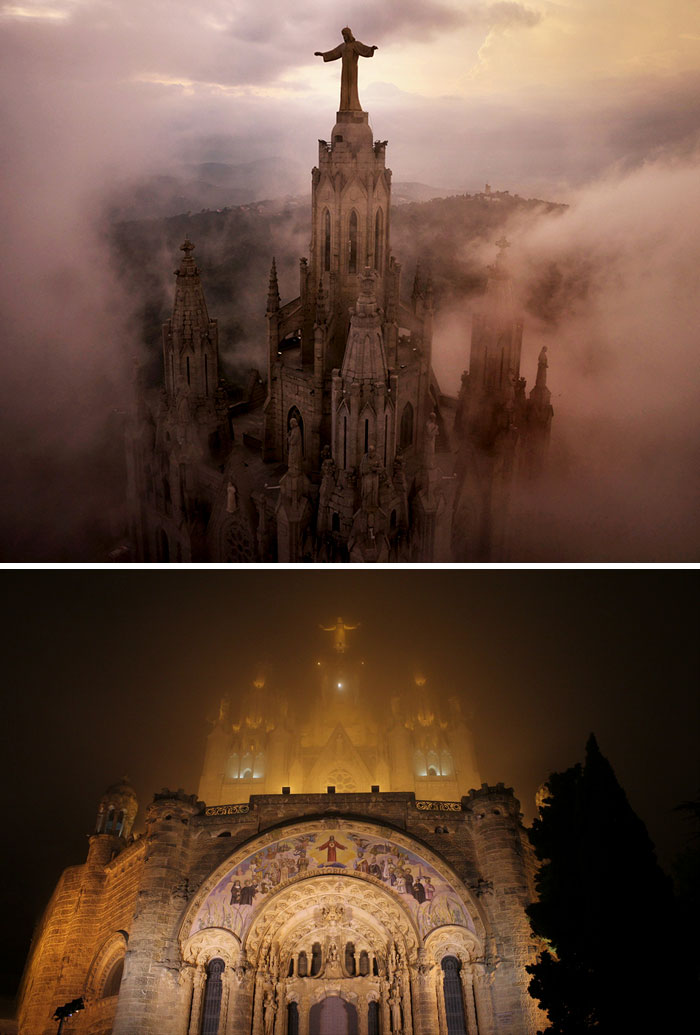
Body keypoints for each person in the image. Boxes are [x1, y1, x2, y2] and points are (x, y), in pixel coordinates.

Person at [314, 28, 378, 112]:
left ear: (349, 35)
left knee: (352, 87)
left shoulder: (355, 45)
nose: (344, 37)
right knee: (344, 87)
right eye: (343, 36)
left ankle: (354, 106)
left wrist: (371, 49)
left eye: (345, 35)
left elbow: (364, 49)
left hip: (352, 69)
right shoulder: (343, 46)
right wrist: (323, 54)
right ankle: (344, 107)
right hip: (344, 70)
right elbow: (334, 53)